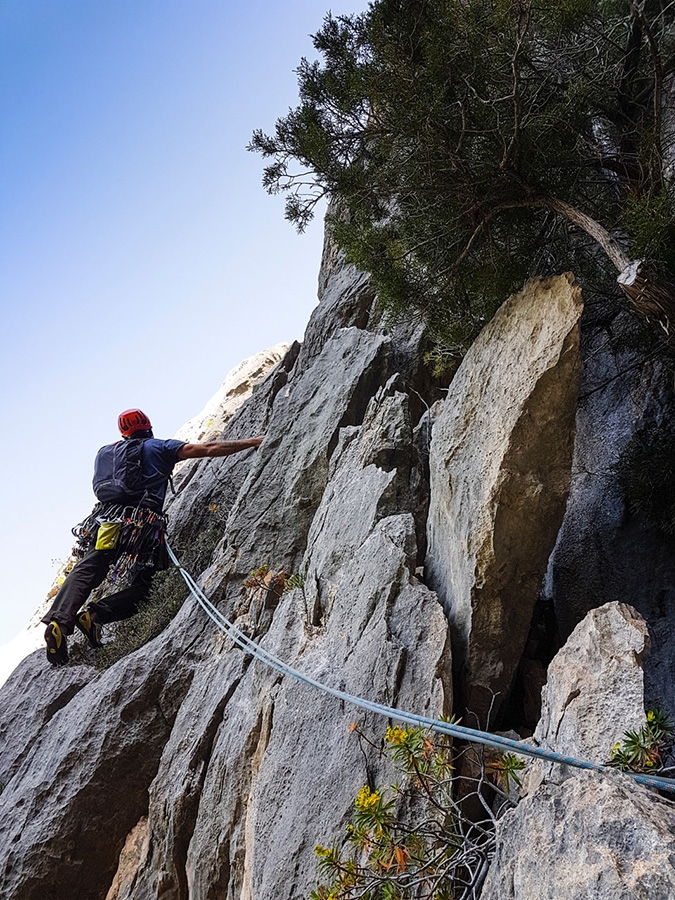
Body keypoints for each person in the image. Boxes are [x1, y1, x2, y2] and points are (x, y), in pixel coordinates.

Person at [43, 408, 263, 666]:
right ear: (148, 426)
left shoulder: (106, 453)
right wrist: (251, 442)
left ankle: (60, 619)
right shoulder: (159, 447)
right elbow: (207, 448)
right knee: (147, 585)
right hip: (141, 525)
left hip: (105, 523)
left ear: (123, 433)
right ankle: (96, 615)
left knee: (88, 567)